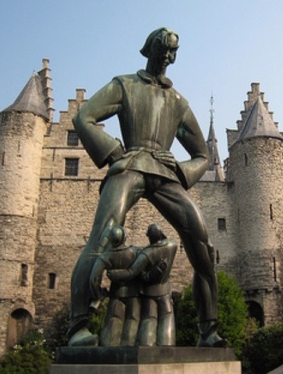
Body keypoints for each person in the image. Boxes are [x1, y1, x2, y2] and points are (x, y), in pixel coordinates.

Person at [68, 27, 225, 348]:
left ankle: (208, 329)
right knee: (103, 233)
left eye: (173, 52)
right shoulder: (124, 85)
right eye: (163, 50)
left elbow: (203, 156)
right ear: (149, 50)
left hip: (165, 173)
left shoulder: (178, 102)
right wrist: (114, 154)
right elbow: (84, 117)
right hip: (131, 166)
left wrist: (180, 172)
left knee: (201, 243)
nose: (168, 57)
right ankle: (79, 327)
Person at [104, 224, 177, 346]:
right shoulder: (172, 245)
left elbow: (131, 272)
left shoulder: (146, 253)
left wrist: (114, 274)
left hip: (149, 292)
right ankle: (167, 343)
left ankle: (146, 343)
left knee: (149, 318)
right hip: (164, 290)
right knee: (167, 316)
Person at [89, 222, 141, 347]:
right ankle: (129, 347)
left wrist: (98, 293)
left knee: (114, 320)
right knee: (132, 320)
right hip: (133, 294)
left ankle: (110, 348)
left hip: (116, 294)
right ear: (124, 237)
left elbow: (94, 278)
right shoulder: (135, 252)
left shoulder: (107, 256)